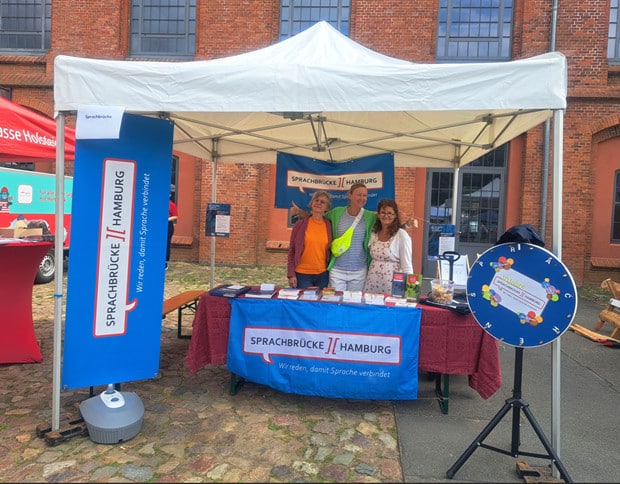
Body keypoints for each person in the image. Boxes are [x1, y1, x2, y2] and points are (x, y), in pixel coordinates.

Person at [324, 183, 377, 291]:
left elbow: (389, 224)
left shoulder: (370, 216)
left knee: (353, 304)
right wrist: (300, 213)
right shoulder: (337, 212)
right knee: (337, 303)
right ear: (349, 195)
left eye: (365, 195)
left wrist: (407, 224)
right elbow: (318, 218)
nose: (362, 198)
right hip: (337, 270)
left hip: (359, 271)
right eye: (359, 195)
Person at [364, 199, 413, 294]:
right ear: (378, 215)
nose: (386, 216)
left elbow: (407, 266)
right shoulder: (374, 233)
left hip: (392, 286)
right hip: (372, 283)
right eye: (383, 212)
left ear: (395, 215)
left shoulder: (401, 235)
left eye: (390, 213)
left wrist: (409, 291)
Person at [287, 191, 333, 289]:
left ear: (327, 208)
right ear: (311, 203)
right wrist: (291, 274)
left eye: (322, 202)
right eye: (316, 200)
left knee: (319, 303)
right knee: (304, 303)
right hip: (302, 274)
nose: (318, 203)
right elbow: (292, 250)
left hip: (322, 275)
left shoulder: (329, 225)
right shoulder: (300, 225)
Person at [167, 186, 178, 270]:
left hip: (168, 225)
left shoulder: (171, 205)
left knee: (166, 243)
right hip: (159, 226)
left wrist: (166, 219)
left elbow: (175, 216)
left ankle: (165, 262)